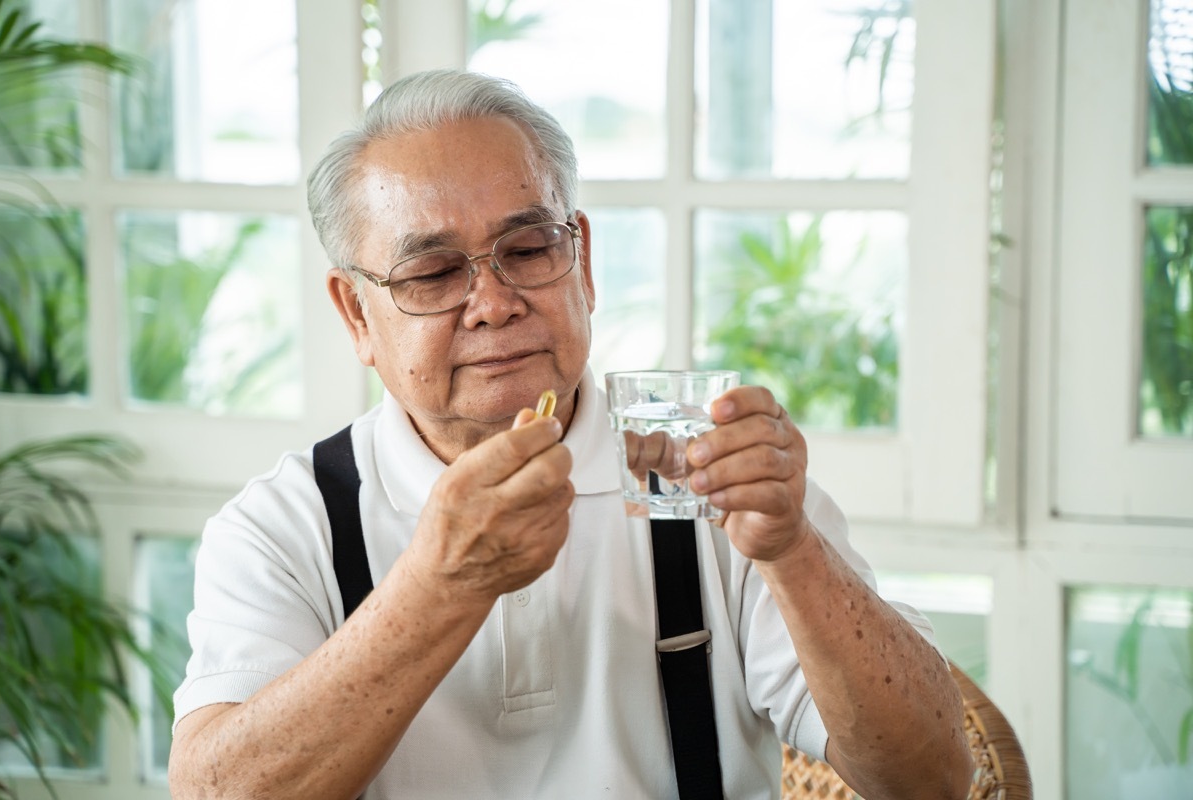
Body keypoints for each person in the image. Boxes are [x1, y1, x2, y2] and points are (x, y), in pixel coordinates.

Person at [168, 69, 972, 800]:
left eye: (527, 249)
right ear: (356, 314)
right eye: (435, 274)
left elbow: (933, 777)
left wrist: (795, 551)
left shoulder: (704, 469)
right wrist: (441, 585)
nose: (493, 302)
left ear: (581, 265)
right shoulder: (286, 525)